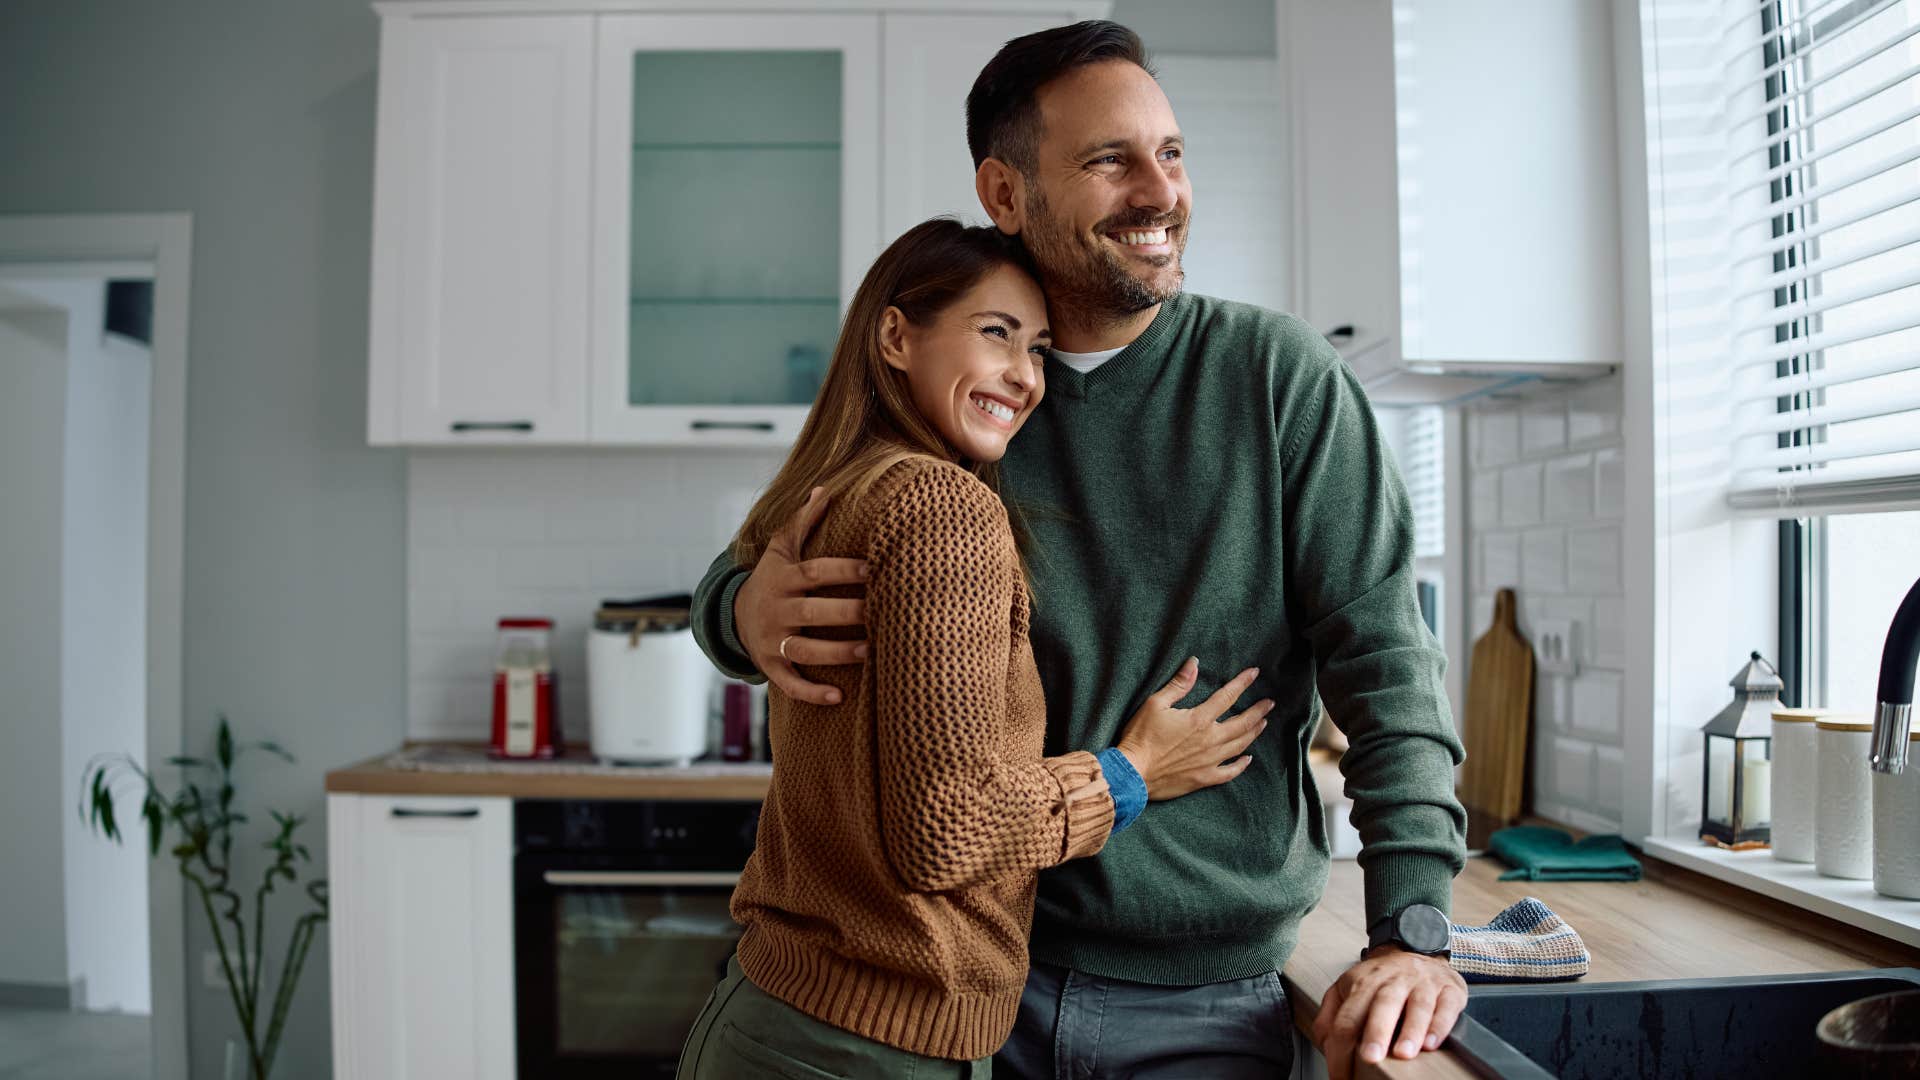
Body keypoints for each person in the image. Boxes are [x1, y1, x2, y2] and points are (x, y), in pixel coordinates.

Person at [693, 22, 1470, 1080]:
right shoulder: (962, 392)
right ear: (1007, 194)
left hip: (1206, 1006)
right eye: (1110, 161)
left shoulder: (1276, 379)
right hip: (966, 994)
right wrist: (737, 612)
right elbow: (771, 552)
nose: (1160, 192)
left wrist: (1414, 929)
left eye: (1173, 154)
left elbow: (1387, 663)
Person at [674, 218, 1271, 1080]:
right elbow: (944, 832)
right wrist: (1131, 773)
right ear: (895, 334)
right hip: (859, 1051)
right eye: (995, 333)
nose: (1025, 376)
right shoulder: (941, 510)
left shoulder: (837, 488)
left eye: (1036, 349)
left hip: (791, 1019)